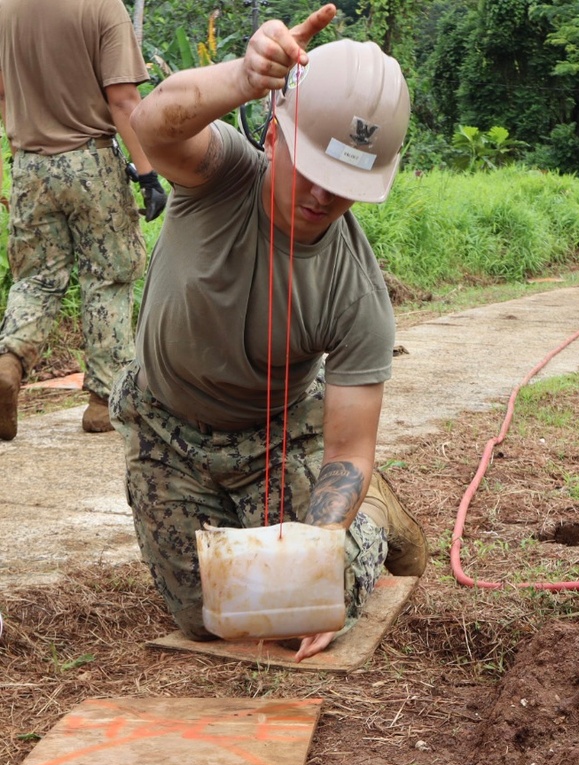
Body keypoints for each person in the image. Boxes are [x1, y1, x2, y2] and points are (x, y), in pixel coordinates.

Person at [110, 4, 428, 661]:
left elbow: (348, 450)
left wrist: (313, 567)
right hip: (167, 427)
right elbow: (152, 121)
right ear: (277, 134)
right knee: (208, 614)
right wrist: (244, 76)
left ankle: (372, 518)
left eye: (344, 186)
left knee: (292, 607)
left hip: (275, 439)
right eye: (313, 170)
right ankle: (244, 535)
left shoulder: (357, 288)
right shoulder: (219, 173)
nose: (321, 197)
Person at [0, 0, 168, 441]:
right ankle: (102, 400)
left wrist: (25, 143)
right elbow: (123, 99)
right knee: (109, 275)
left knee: (35, 279)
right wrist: (147, 172)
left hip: (29, 165)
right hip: (90, 161)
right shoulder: (100, 7)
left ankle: (9, 362)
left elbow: (2, 91)